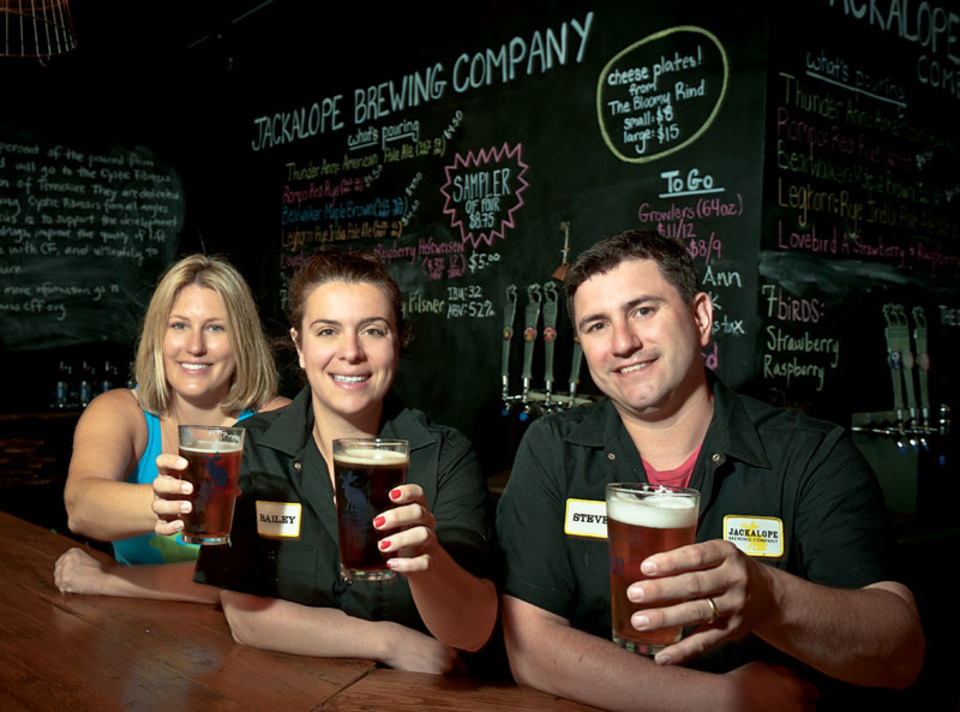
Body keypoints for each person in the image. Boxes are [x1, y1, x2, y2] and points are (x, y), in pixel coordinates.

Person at [496, 230, 925, 711]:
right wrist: (722, 700)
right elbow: (531, 649)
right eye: (596, 325)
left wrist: (771, 598)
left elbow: (900, 654)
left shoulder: (809, 454)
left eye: (643, 310)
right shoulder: (555, 449)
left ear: (700, 317)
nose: (622, 342)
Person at [164, 249, 497, 674]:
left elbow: (475, 630)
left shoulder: (446, 456)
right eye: (327, 332)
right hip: (286, 688)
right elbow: (243, 615)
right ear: (299, 348)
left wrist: (428, 560)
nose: (351, 352)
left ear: (398, 342)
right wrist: (387, 642)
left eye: (373, 331)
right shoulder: (250, 449)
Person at [55, 254, 289, 602]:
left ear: (243, 340)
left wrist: (110, 580)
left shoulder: (277, 422)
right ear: (157, 337)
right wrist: (168, 501)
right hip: (135, 633)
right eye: (178, 325)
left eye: (216, 327)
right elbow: (80, 508)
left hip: (244, 641)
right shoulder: (121, 411)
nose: (195, 346)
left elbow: (262, 578)